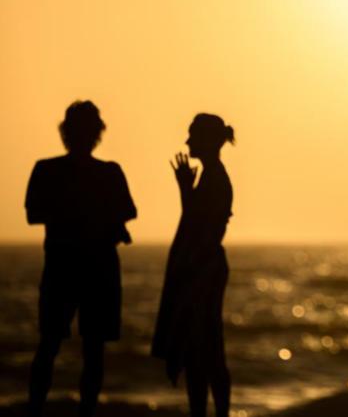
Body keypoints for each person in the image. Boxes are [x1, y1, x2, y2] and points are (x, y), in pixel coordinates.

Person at [25, 101, 136, 417]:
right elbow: (36, 213)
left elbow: (35, 213)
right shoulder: (104, 173)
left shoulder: (49, 170)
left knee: (58, 346)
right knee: (82, 350)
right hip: (88, 268)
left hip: (69, 267)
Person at [152, 113, 235, 417]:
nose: (187, 142)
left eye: (192, 135)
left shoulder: (215, 178)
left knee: (206, 348)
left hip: (203, 269)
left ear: (207, 140)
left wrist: (184, 190)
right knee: (197, 350)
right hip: (200, 266)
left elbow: (201, 228)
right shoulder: (209, 176)